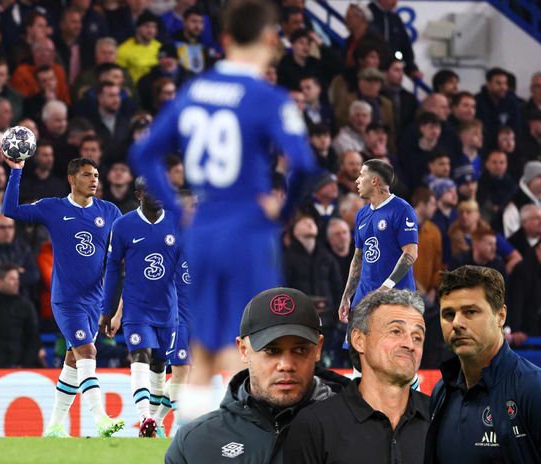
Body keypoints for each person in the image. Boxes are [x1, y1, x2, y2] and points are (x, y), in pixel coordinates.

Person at [129, 0, 316, 417]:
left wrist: (178, 211)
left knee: (204, 347)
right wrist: (281, 210)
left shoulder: (193, 90)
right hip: (247, 228)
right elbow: (303, 163)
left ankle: (188, 447)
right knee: (248, 343)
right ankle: (244, 446)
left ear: (225, 39)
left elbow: (144, 152)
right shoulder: (267, 97)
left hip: (202, 229)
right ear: (271, 39)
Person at [3, 156, 124, 437]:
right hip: (67, 300)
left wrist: (115, 308)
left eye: (96, 174)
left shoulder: (109, 212)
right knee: (88, 352)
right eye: (86, 175)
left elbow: (121, 260)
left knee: (73, 360)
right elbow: (10, 209)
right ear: (72, 179)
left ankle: (54, 427)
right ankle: (101, 418)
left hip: (96, 301)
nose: (94, 180)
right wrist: (16, 172)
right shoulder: (53, 208)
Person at [165, 287, 342, 464]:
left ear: (318, 348)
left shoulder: (358, 431)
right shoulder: (194, 443)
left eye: (300, 350)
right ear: (243, 349)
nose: (286, 365)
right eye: (272, 351)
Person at [284, 289, 430, 463]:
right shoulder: (315, 425)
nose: (409, 344)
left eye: (417, 337)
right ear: (359, 340)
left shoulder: (441, 417)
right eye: (396, 331)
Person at [425, 265, 541, 463]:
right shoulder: (441, 393)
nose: (457, 323)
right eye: (448, 314)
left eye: (470, 312)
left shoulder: (533, 388)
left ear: (500, 316)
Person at [101, 177, 184, 437]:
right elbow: (113, 269)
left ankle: (153, 426)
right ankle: (145, 417)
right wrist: (108, 310)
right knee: (141, 355)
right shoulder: (123, 225)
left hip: (168, 309)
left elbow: (186, 269)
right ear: (139, 195)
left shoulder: (177, 222)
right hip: (137, 308)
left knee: (160, 364)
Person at [339, 159, 419, 323]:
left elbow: (411, 253)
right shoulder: (361, 215)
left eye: (361, 175)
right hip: (364, 296)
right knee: (357, 347)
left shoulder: (402, 209)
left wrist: (385, 287)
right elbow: (358, 258)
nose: (357, 180)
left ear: (374, 180)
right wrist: (347, 296)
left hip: (396, 297)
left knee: (390, 347)